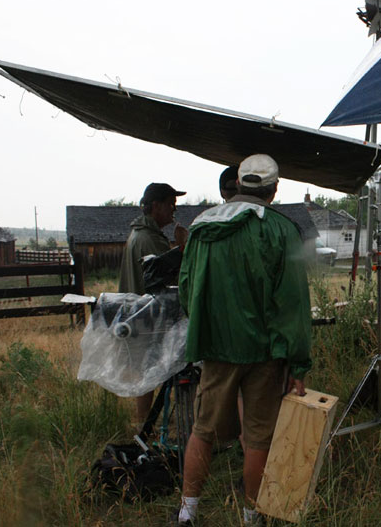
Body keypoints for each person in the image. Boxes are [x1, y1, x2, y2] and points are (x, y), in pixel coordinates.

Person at [175, 154, 312, 526]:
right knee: (258, 437)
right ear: (274, 189)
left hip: (217, 349)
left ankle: (188, 512)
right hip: (265, 352)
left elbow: (186, 290)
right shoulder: (281, 229)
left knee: (203, 429)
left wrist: (209, 329)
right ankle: (252, 516)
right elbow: (293, 302)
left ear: (238, 183)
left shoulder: (201, 226)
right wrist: (298, 361)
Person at [119, 182, 188, 423]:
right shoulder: (150, 239)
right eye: (170, 204)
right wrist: (183, 248)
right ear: (155, 206)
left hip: (139, 317)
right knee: (161, 373)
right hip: (151, 319)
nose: (173, 210)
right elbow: (171, 280)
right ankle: (156, 428)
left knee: (146, 374)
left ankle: (143, 427)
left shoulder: (139, 233)